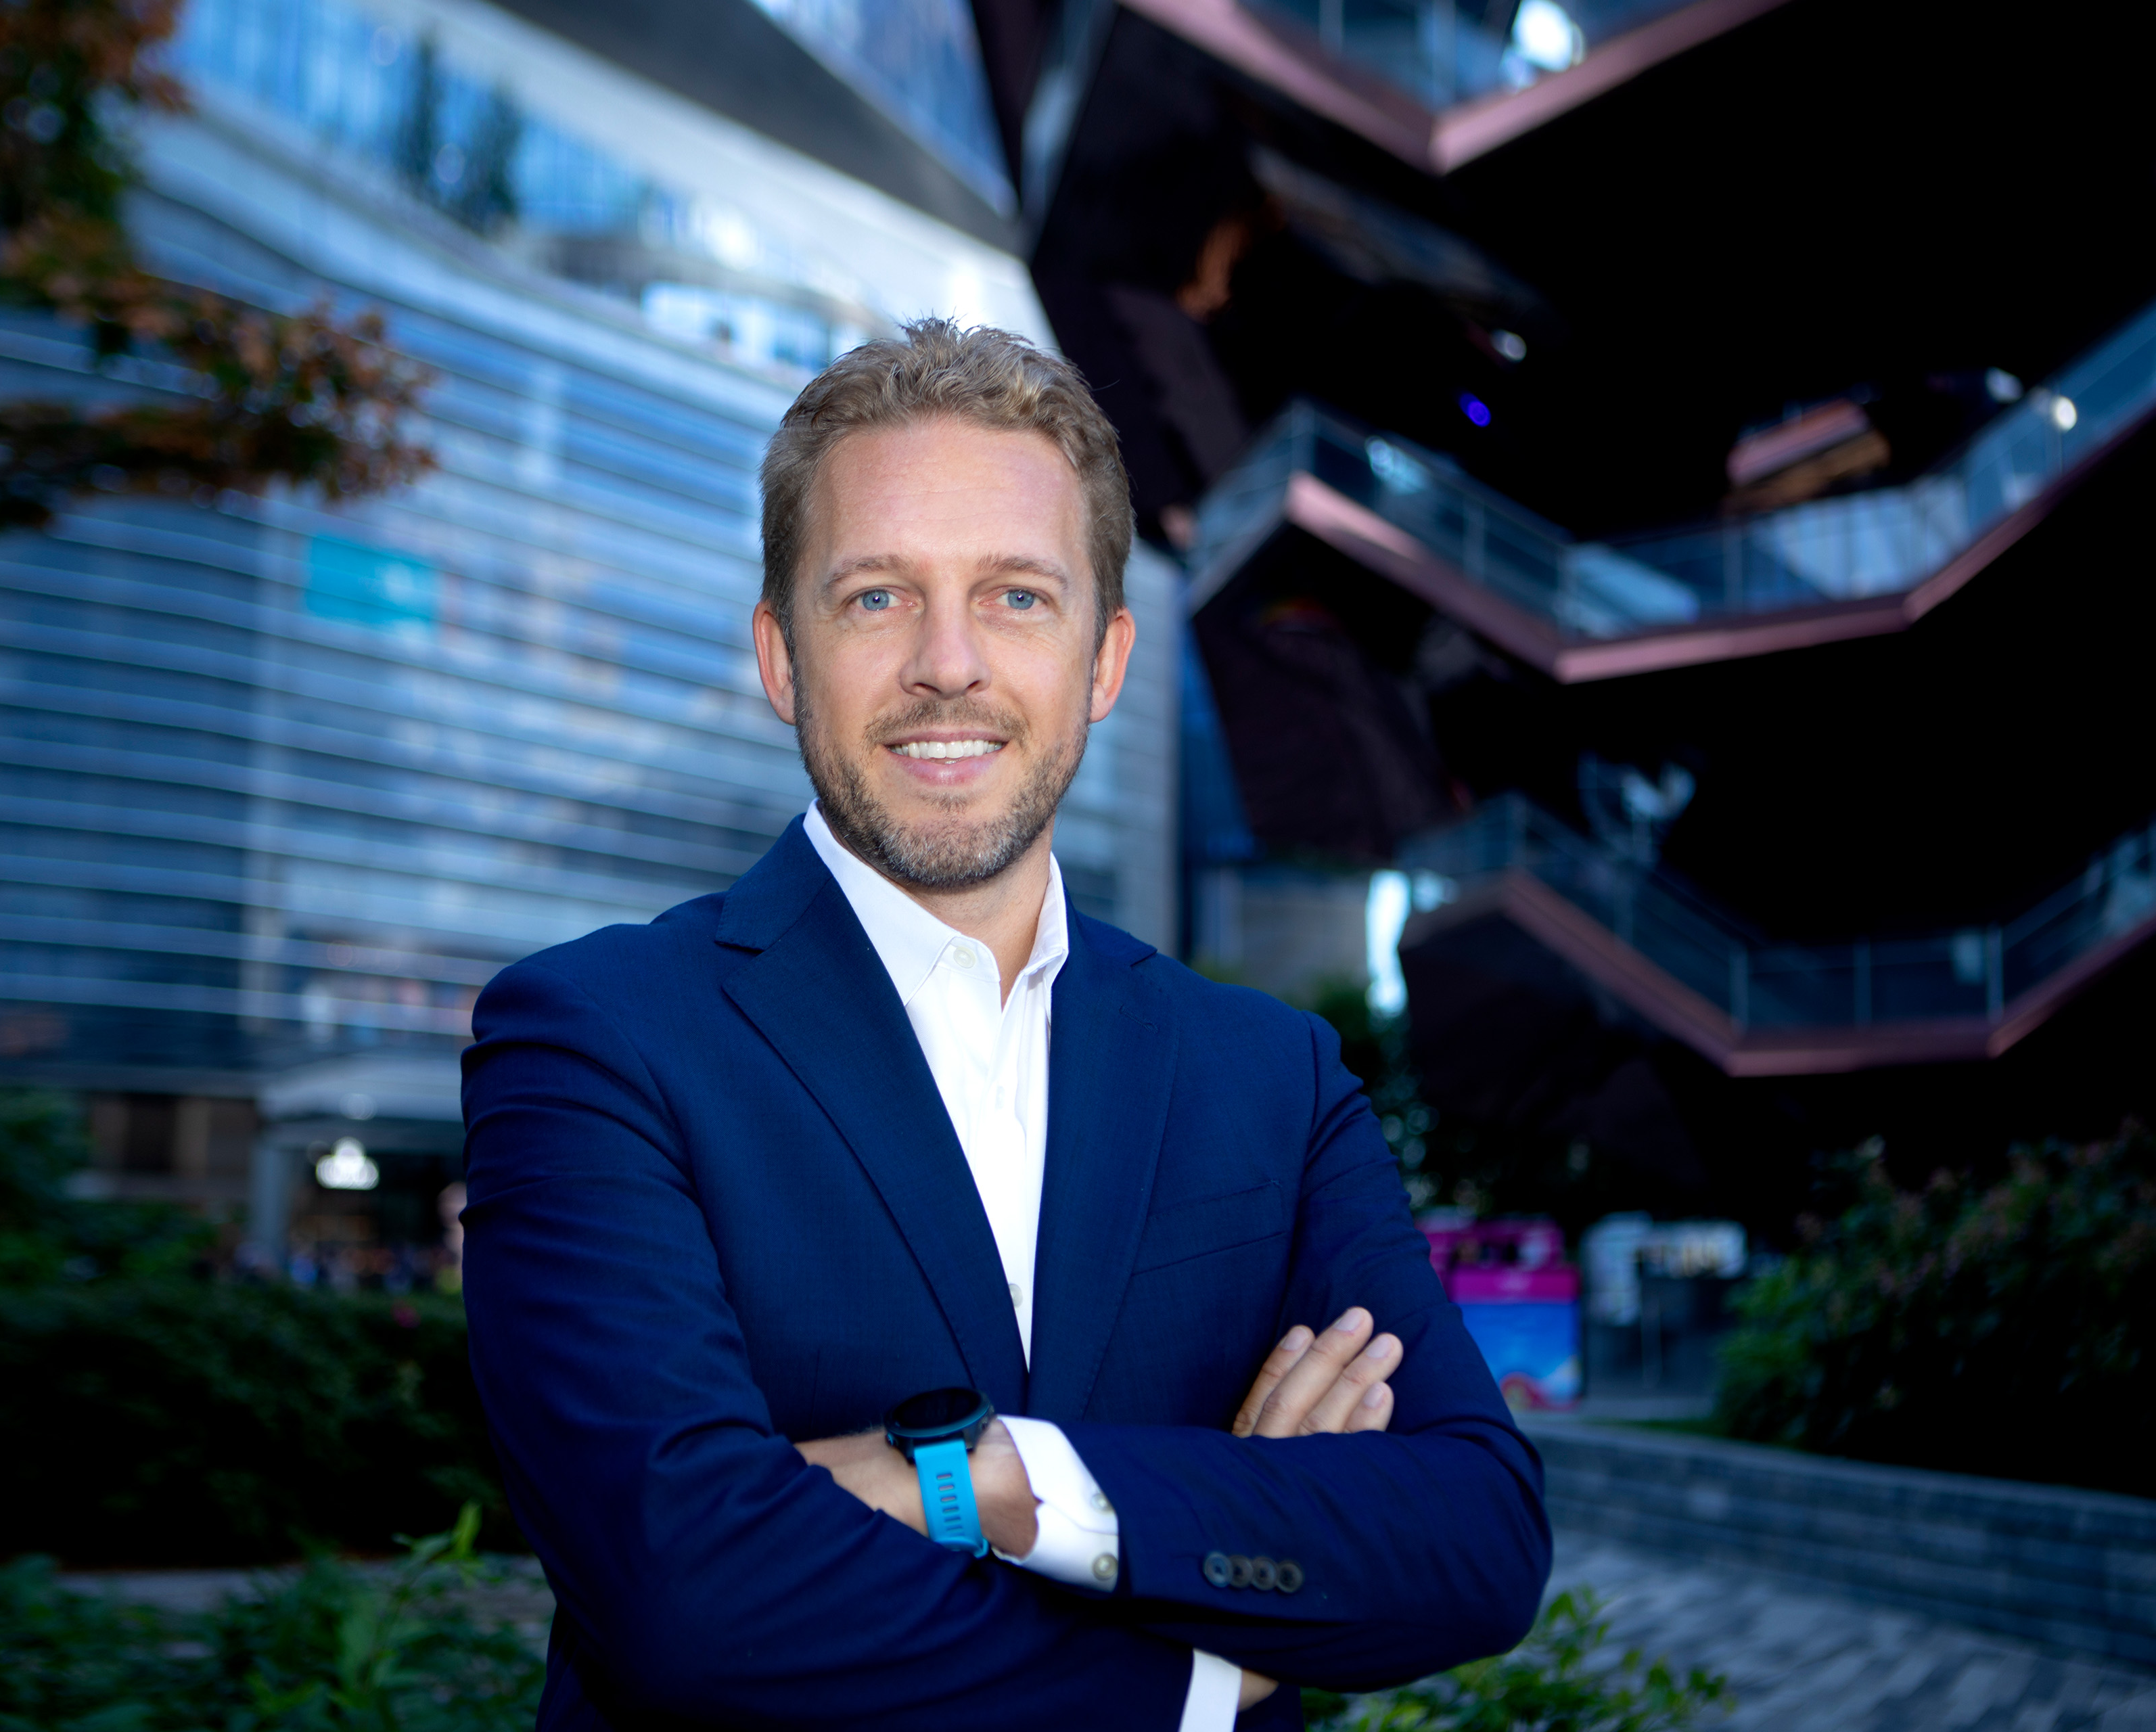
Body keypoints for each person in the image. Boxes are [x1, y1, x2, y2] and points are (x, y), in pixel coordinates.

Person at [459, 321, 1548, 1731]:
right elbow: (686, 1593)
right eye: (877, 597)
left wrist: (993, 1483)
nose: (949, 663)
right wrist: (1210, 1654)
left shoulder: (1273, 1077)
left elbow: (1477, 1534)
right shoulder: (593, 1039)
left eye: (1018, 596)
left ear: (1104, 660)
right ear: (782, 658)